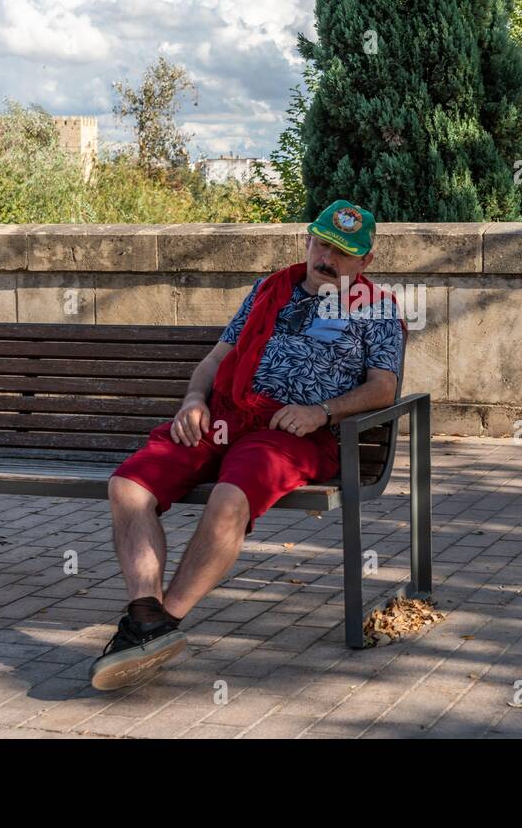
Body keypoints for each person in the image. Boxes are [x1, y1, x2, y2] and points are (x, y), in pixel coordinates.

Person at [90, 199, 406, 690]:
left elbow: (383, 387)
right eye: (322, 244)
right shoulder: (268, 290)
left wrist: (320, 410)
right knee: (128, 488)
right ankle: (146, 620)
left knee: (229, 500)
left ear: (364, 262)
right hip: (224, 417)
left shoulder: (377, 309)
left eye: (344, 252)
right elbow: (217, 359)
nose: (328, 258)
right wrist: (194, 399)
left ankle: (156, 625)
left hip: (292, 435)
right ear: (307, 241)